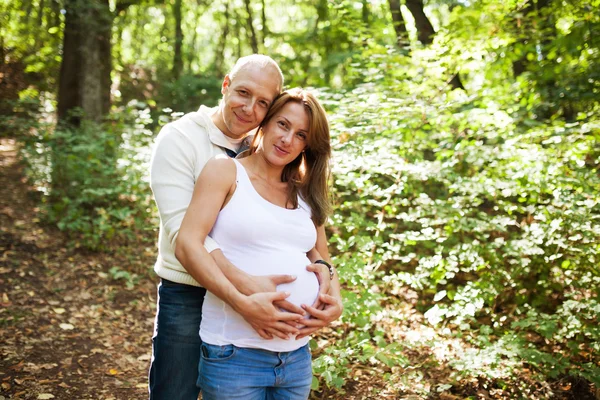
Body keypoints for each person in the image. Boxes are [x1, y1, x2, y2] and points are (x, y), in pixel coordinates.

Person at [148, 55, 342, 399]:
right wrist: (244, 291)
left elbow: (305, 238)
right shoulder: (181, 139)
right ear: (225, 86)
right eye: (243, 93)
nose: (250, 108)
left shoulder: (274, 152)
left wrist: (328, 280)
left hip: (283, 345)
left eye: (263, 102)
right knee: (175, 391)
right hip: (188, 291)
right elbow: (185, 234)